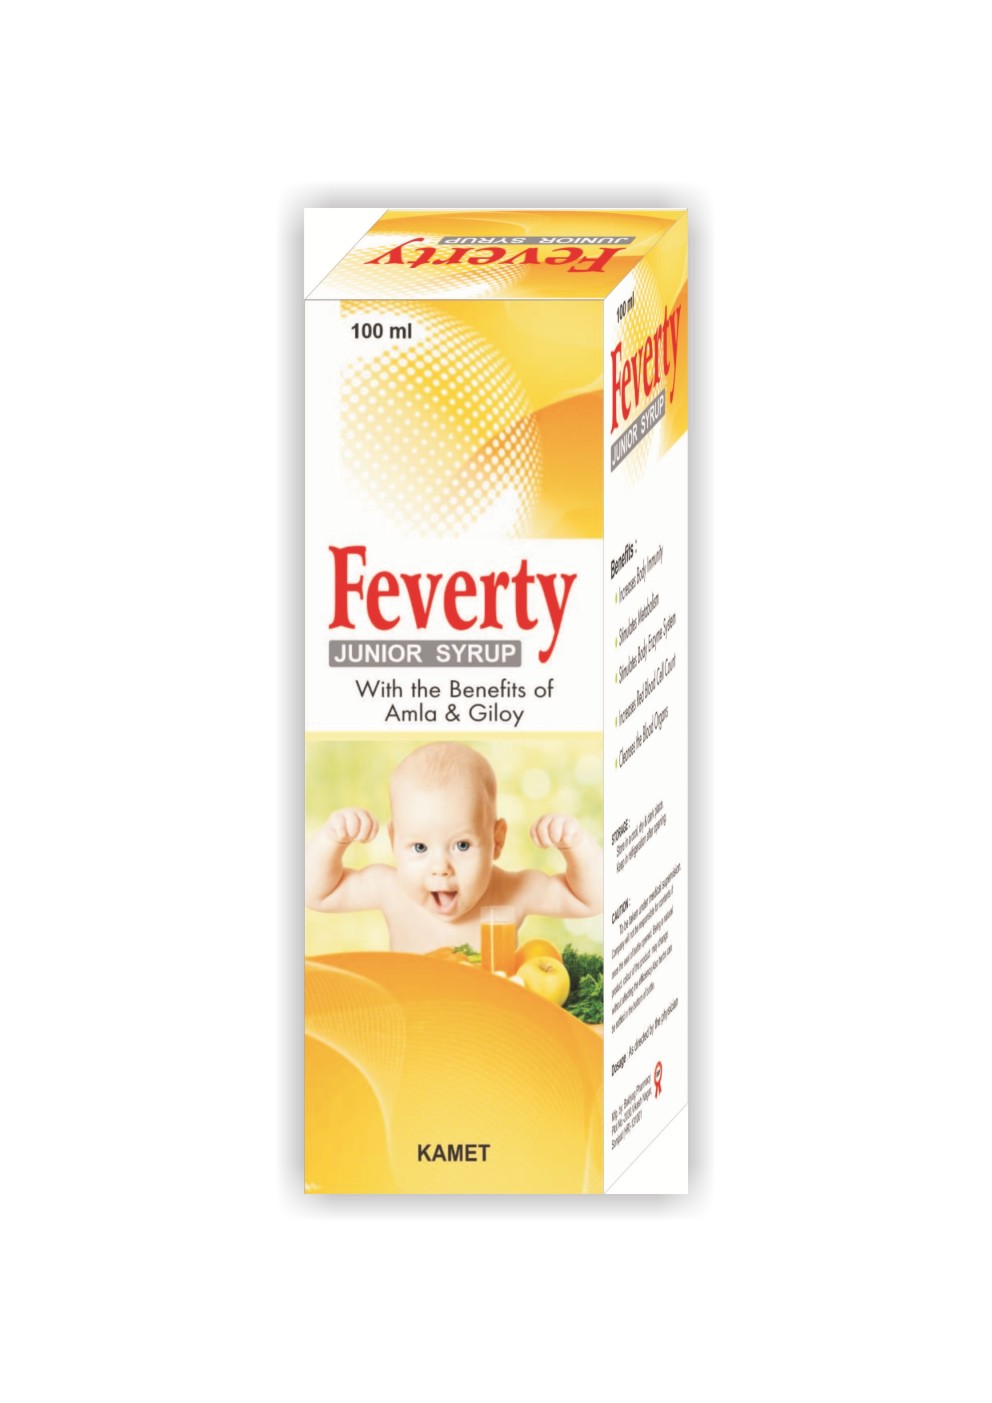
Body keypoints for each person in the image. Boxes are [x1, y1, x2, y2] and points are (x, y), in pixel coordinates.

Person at [305, 741, 602, 953]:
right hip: (414, 1019)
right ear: (394, 841)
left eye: (461, 845)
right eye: (419, 847)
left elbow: (592, 899)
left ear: (497, 841)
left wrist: (575, 845)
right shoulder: (390, 888)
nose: (440, 868)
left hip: (488, 1021)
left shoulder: (511, 893)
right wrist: (333, 839)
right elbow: (315, 894)